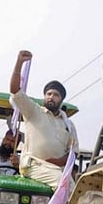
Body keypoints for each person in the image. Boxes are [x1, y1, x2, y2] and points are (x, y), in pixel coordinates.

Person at [9, 51, 78, 189]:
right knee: (63, 184)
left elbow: (73, 152)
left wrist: (59, 161)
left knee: (75, 189)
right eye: (49, 94)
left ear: (61, 99)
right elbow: (15, 90)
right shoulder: (33, 111)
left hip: (56, 169)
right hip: (33, 165)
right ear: (44, 96)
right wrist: (19, 63)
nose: (51, 97)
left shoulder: (68, 124)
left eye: (56, 95)